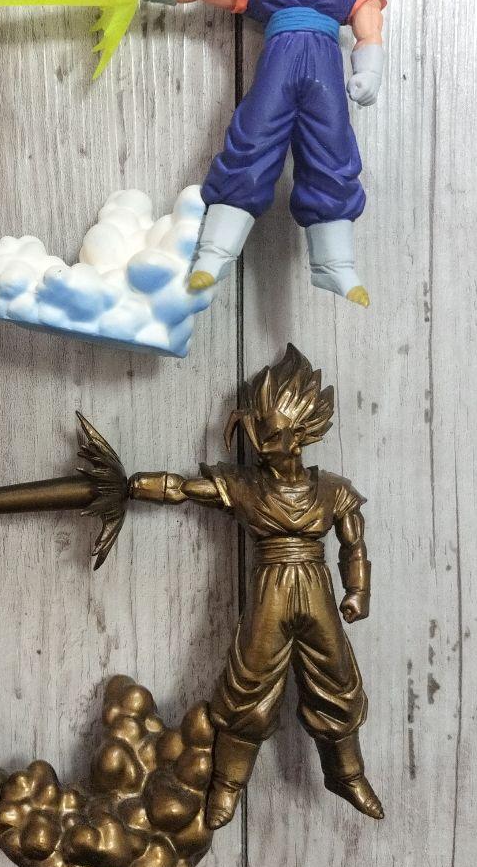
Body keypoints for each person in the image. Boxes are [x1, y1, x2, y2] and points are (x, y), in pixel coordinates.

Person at [128, 344, 383, 826]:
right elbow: (186, 489)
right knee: (249, 685)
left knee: (336, 680)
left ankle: (347, 773)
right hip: (271, 591)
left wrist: (358, 591)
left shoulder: (332, 490)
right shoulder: (247, 486)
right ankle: (227, 784)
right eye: (257, 428)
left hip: (317, 591)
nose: (260, 441)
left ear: (300, 434)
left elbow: (354, 544)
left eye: (272, 431)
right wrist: (139, 485)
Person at [141, 0, 386, 306]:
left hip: (326, 84)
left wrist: (369, 71)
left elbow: (369, 29)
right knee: (251, 145)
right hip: (277, 76)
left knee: (333, 154)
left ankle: (335, 264)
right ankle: (214, 254)